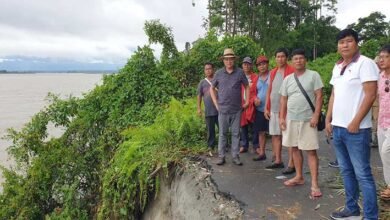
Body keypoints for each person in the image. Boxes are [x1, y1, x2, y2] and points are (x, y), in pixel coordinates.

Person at [326, 29, 378, 220]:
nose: (344, 45)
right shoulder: (338, 66)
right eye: (341, 42)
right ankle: (352, 209)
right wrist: (328, 118)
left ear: (356, 43)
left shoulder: (365, 63)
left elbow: (370, 94)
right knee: (346, 171)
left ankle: (371, 216)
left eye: (349, 41)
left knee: (363, 174)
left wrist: (356, 121)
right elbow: (334, 94)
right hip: (338, 128)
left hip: (356, 130)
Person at [279, 49, 323, 199]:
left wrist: (316, 115)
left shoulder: (313, 75)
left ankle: (315, 184)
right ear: (292, 61)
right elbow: (283, 99)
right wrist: (281, 118)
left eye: (301, 58)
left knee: (310, 151)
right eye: (296, 59)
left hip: (308, 119)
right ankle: (299, 176)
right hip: (291, 118)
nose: (298, 61)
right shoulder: (287, 79)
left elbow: (319, 96)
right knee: (294, 148)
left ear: (305, 60)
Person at [210, 48, 249, 166]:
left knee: (236, 134)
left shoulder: (240, 72)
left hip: (237, 109)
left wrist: (247, 100)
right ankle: (221, 157)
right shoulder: (218, 73)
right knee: (222, 134)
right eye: (226, 59)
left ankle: (235, 156)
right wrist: (216, 103)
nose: (229, 61)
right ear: (223, 61)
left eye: (231, 59)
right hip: (222, 109)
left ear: (234, 60)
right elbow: (212, 88)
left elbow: (247, 86)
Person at [264, 48, 296, 175]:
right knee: (275, 135)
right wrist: (267, 107)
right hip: (274, 108)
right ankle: (278, 160)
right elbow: (269, 90)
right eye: (278, 56)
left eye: (282, 56)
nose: (280, 59)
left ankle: (291, 164)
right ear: (275, 58)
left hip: (288, 110)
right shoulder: (273, 72)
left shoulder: (292, 71)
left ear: (286, 58)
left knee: (289, 138)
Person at [377, 44, 390, 200]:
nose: (382, 60)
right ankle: (388, 186)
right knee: (383, 154)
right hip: (382, 122)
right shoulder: (380, 76)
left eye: (386, 56)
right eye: (380, 57)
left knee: (387, 152)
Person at [197, 62, 219, 154]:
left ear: (213, 69)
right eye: (206, 69)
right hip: (209, 111)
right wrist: (198, 108)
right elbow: (199, 96)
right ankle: (211, 146)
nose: (208, 70)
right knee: (210, 130)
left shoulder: (218, 80)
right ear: (204, 71)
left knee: (222, 128)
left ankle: (224, 145)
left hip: (219, 110)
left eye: (210, 68)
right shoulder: (202, 83)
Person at [253, 55, 270, 161]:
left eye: (264, 64)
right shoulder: (256, 78)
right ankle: (262, 153)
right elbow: (252, 92)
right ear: (257, 67)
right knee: (261, 132)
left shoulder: (272, 75)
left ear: (267, 64)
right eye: (259, 65)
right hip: (259, 109)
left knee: (275, 133)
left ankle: (277, 156)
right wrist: (255, 99)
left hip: (271, 109)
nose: (262, 66)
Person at [239, 57, 258, 153]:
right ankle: (244, 145)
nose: (246, 66)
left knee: (254, 126)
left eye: (248, 64)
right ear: (242, 65)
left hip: (252, 104)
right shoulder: (239, 77)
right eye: (244, 64)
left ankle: (256, 145)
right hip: (242, 104)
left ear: (251, 65)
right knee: (243, 126)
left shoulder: (255, 77)